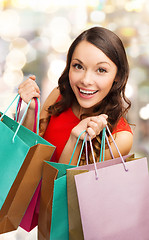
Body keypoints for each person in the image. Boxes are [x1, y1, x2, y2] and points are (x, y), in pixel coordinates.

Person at [18, 26, 133, 165]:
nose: (85, 80)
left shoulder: (120, 137)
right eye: (78, 66)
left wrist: (75, 141)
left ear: (118, 76)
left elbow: (67, 186)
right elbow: (24, 156)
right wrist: (31, 110)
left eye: (101, 70)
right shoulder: (59, 95)